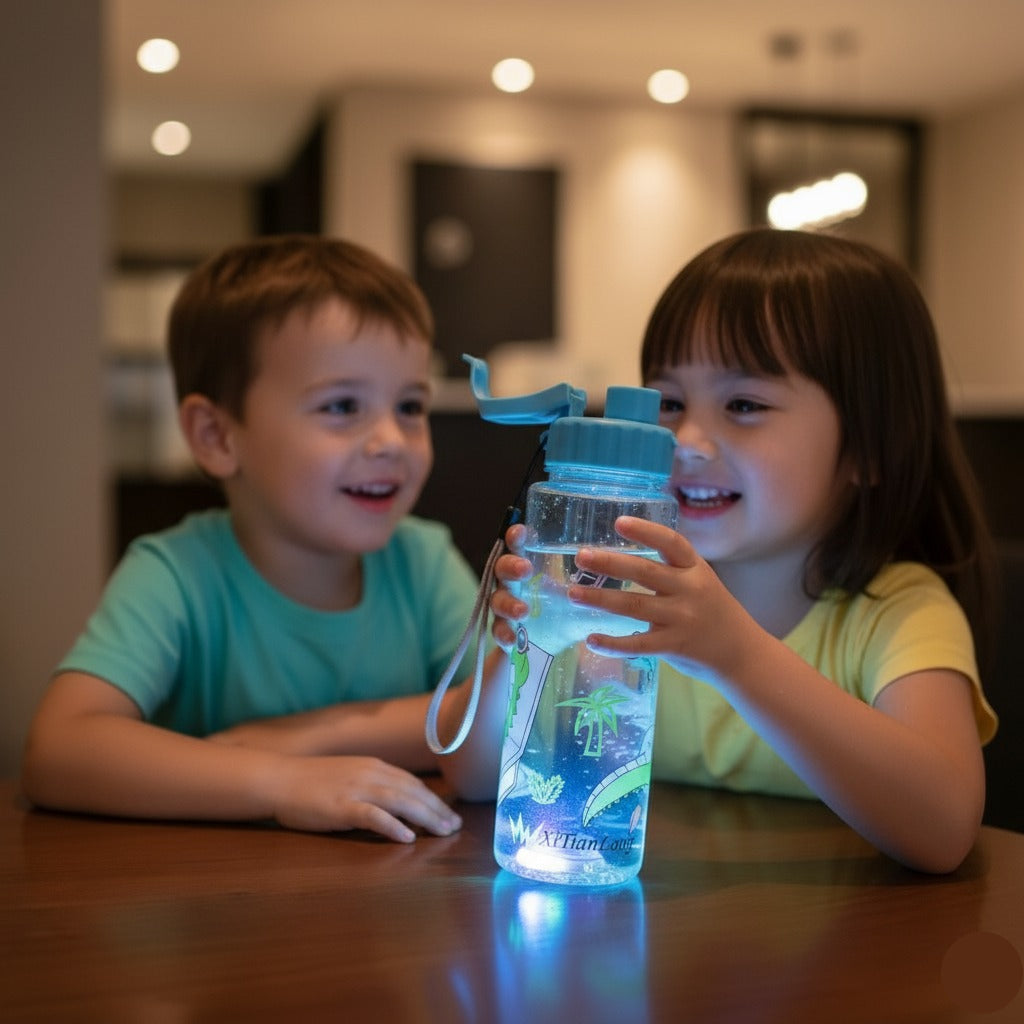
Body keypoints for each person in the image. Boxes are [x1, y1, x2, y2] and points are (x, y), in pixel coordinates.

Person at [474, 228, 999, 874]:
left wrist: (735, 654)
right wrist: (531, 644)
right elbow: (473, 776)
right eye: (670, 402)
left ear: (870, 448)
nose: (687, 440)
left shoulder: (897, 610)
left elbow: (944, 828)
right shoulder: (627, 590)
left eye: (744, 404)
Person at [20, 235, 505, 843]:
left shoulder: (423, 561)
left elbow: (490, 739)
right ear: (217, 436)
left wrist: (306, 737)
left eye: (410, 406)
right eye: (342, 406)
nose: (391, 440)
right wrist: (281, 781)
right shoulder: (175, 574)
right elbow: (58, 749)